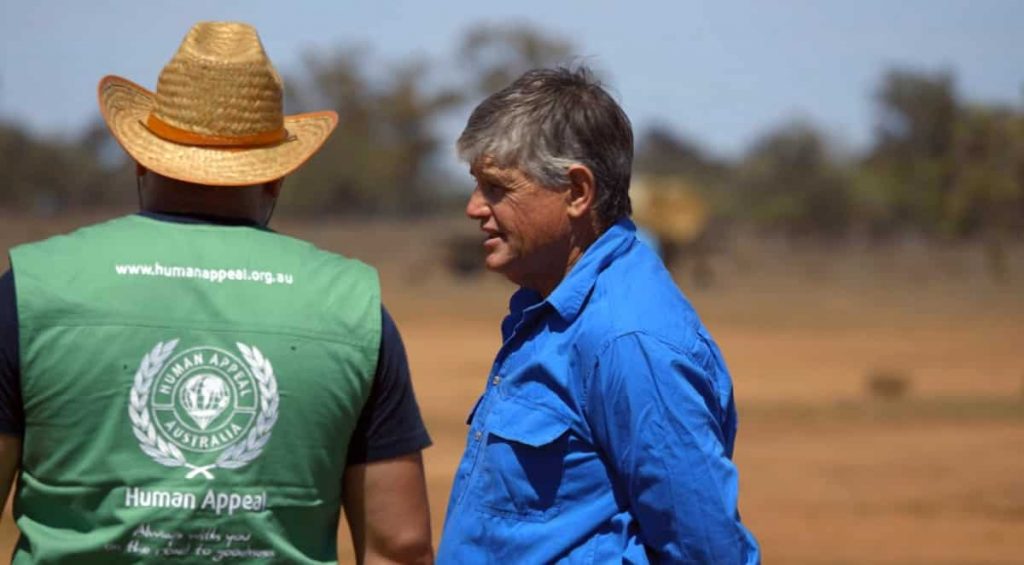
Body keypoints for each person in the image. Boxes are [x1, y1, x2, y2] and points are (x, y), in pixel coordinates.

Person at [0, 22, 433, 564]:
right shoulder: (353, 306)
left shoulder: (34, 288)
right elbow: (401, 546)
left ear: (143, 158)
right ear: (277, 176)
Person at [437, 67, 760, 563]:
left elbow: (707, 551)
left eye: (497, 187)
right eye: (475, 185)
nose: (473, 207)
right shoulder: (553, 308)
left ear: (577, 192)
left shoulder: (627, 339)